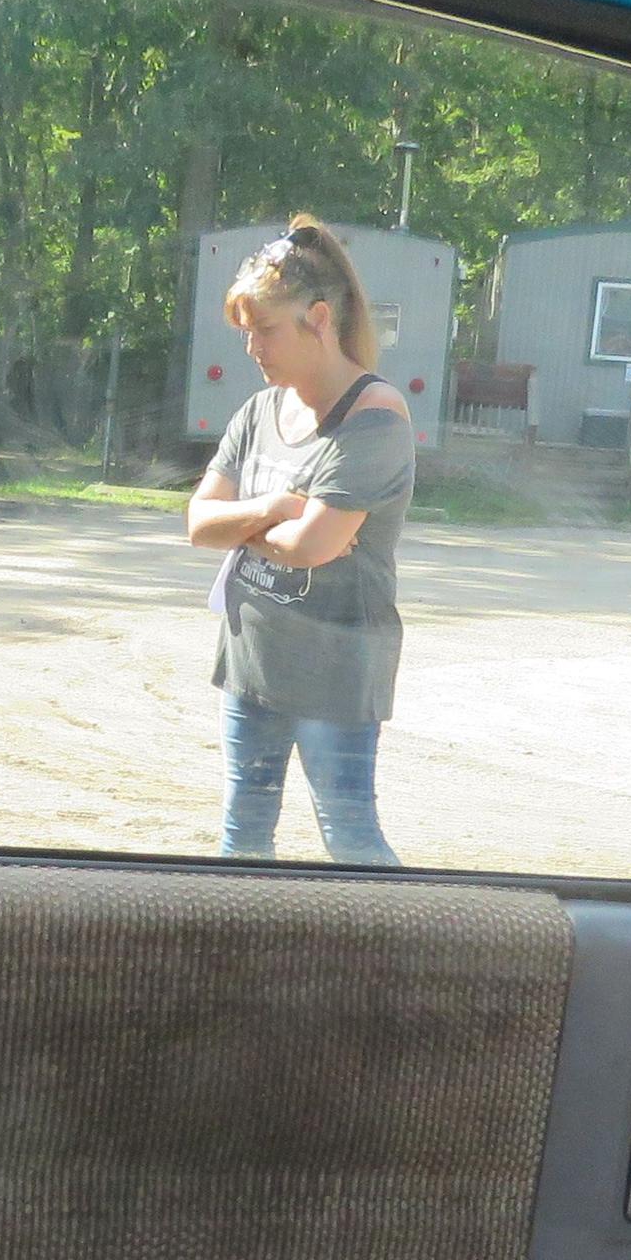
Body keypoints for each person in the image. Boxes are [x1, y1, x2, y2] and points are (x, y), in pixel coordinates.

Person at [186, 216, 413, 864]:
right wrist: (277, 509)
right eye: (246, 331)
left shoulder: (375, 417)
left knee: (351, 838)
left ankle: (404, 958)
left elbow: (313, 546)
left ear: (318, 319)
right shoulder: (259, 410)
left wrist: (252, 523)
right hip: (253, 660)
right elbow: (199, 524)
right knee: (242, 835)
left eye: (265, 329)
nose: (252, 347)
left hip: (337, 667)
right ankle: (241, 965)